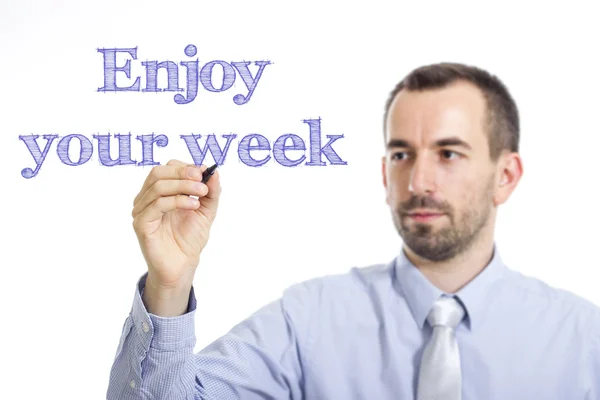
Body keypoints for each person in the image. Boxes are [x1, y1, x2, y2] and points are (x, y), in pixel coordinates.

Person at [106, 62, 600, 400]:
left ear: (506, 176)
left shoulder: (584, 341)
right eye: (402, 155)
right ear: (385, 175)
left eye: (449, 154)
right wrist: (168, 286)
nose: (419, 181)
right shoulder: (306, 322)